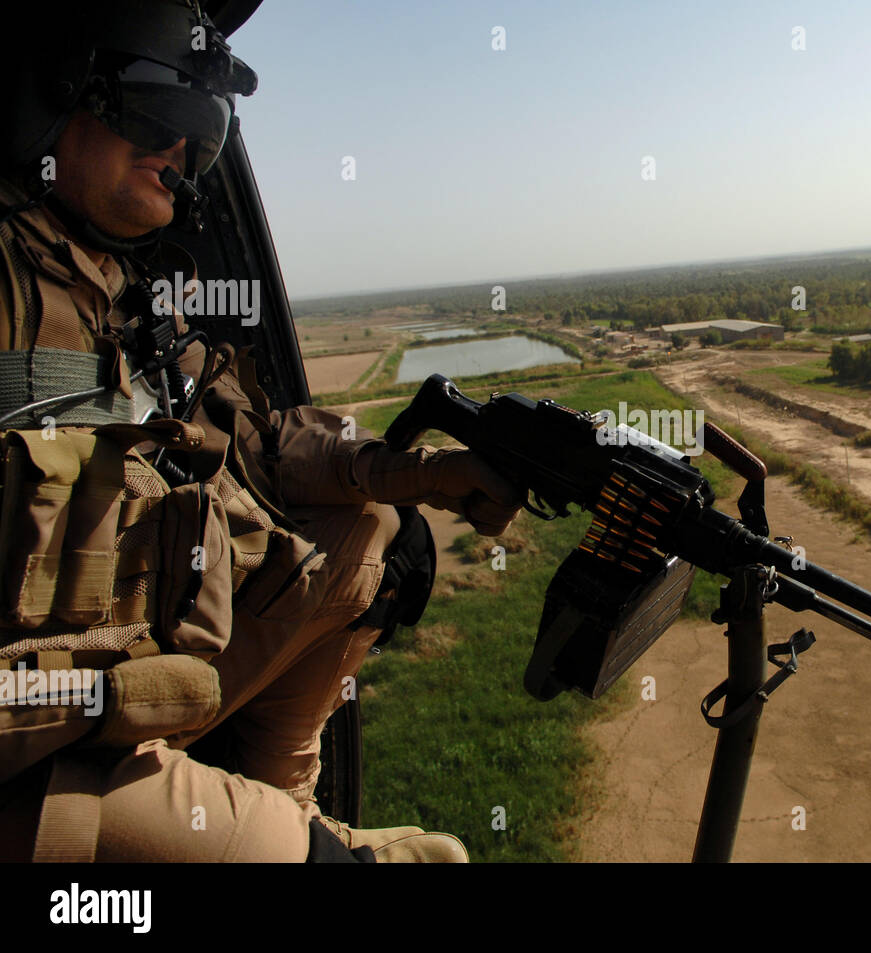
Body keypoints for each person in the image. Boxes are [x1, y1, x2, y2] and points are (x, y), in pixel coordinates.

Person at [0, 0, 523, 862]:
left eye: (202, 133)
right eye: (163, 109)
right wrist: (77, 703)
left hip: (141, 676)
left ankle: (288, 800)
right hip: (41, 747)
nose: (179, 152)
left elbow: (262, 446)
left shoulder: (129, 299)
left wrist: (421, 471)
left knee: (378, 530)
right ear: (57, 99)